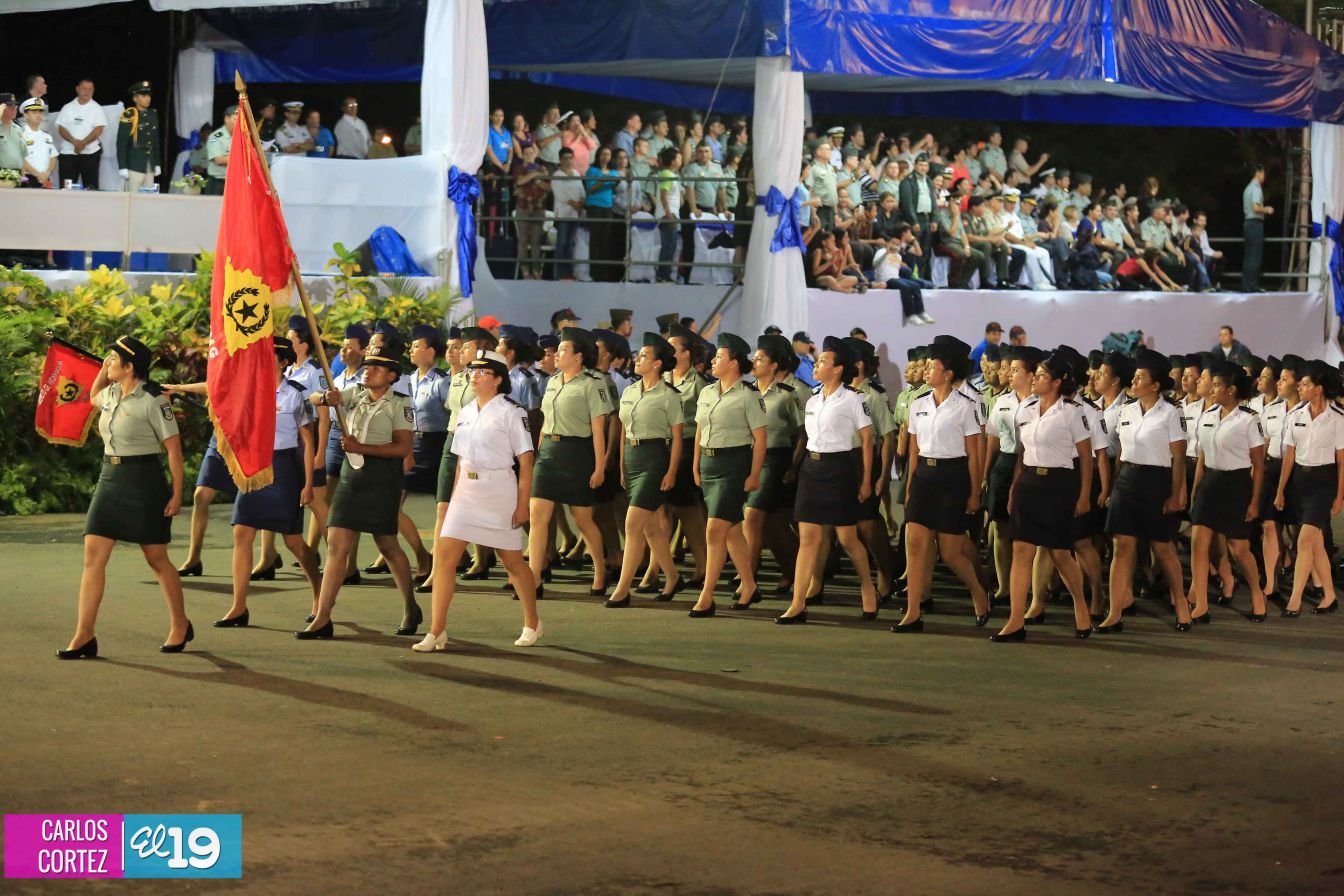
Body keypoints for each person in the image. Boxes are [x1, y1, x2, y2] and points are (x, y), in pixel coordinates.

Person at [169, 339, 323, 627]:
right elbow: (216, 388)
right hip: (255, 466)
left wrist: (308, 484)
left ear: (283, 362)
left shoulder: (295, 394)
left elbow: (307, 440)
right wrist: (177, 389)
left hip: (285, 468)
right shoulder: (251, 389)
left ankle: (320, 595)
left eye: (271, 357)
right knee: (242, 532)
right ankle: (238, 607)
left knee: (293, 543)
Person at [59, 336, 190, 659]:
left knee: (156, 558)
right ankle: (84, 635)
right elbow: (92, 397)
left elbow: (173, 451)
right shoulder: (112, 394)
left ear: (130, 367)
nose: (108, 362)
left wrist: (176, 493)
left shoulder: (153, 400)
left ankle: (180, 624)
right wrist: (104, 371)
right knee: (93, 555)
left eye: (114, 360)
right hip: (110, 478)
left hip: (144, 480)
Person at [413, 349, 543, 651]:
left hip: (499, 490)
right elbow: (460, 460)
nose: (474, 375)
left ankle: (532, 622)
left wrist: (522, 504)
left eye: (482, 372)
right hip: (466, 493)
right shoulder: (467, 410)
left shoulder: (512, 412)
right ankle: (436, 631)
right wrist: (455, 497)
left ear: (497, 380)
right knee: (445, 558)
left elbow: (525, 462)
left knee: (512, 562)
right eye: (473, 371)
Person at [298, 341, 420, 639]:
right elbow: (312, 398)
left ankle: (410, 605)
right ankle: (323, 616)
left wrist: (360, 446)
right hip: (352, 475)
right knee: (337, 544)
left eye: (377, 367)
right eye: (367, 366)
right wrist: (327, 396)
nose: (369, 371)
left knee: (387, 545)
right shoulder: (354, 394)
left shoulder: (400, 403)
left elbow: (402, 447)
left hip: (382, 476)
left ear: (391, 376)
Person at [994, 349, 1096, 641]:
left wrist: (1084, 495)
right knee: (1021, 551)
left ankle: (1081, 607)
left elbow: (1086, 458)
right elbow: (1022, 452)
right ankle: (1015, 620)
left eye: (1041, 376)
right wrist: (1015, 487)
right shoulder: (1026, 409)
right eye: (1035, 374)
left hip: (1059, 485)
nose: (1035, 379)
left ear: (1056, 382)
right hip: (1029, 484)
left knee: (1060, 553)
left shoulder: (1072, 412)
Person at [776, 336, 879, 624]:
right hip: (812, 469)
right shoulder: (812, 399)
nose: (817, 364)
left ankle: (867, 586)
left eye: (823, 360)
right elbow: (807, 436)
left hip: (840, 469)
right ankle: (798, 603)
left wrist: (866, 480)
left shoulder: (854, 399)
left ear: (838, 369)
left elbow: (868, 440)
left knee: (847, 538)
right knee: (808, 538)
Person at [893, 337, 991, 633]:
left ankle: (978, 592)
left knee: (950, 553)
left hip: (953, 478)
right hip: (924, 476)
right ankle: (913, 611)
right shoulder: (919, 403)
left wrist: (975, 492)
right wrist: (910, 484)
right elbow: (913, 449)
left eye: (933, 366)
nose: (926, 370)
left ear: (947, 373)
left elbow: (974, 451)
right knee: (915, 543)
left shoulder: (967, 405)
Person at [1098, 348, 1191, 632]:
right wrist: (1113, 486)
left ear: (1156, 385)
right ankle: (1115, 612)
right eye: (1134, 377)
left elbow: (1178, 459)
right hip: (1127, 480)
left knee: (1162, 547)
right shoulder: (1127, 410)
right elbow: (1120, 455)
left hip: (1156, 482)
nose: (1134, 382)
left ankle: (1182, 605)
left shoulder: (1172, 413)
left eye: (1140, 378)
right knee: (1121, 547)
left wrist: (1177, 495)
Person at [686, 333, 767, 618]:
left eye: (719, 356)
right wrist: (695, 465)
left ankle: (706, 596)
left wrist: (755, 473)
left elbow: (760, 437)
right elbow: (699, 431)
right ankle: (749, 585)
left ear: (734, 363)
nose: (713, 361)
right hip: (709, 466)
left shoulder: (749, 395)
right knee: (732, 530)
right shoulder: (707, 392)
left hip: (734, 465)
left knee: (714, 529)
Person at [526, 327, 611, 596]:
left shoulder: (592, 383)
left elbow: (599, 429)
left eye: (563, 349)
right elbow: (544, 421)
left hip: (578, 453)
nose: (556, 354)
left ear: (578, 357)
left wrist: (600, 467)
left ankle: (600, 569)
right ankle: (534, 577)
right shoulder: (552, 381)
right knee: (537, 514)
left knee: (582, 519)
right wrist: (540, 450)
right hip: (549, 452)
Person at [605, 333, 686, 607]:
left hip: (654, 459)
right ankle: (673, 577)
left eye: (643, 356)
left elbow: (677, 437)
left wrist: (672, 471)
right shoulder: (629, 391)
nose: (637, 359)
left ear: (657, 364)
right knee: (651, 528)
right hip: (631, 458)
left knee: (632, 523)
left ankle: (622, 588)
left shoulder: (669, 395)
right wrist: (620, 466)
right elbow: (624, 430)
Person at [1188, 362, 1268, 623]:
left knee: (1239, 549)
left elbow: (1258, 464)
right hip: (1210, 483)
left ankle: (1257, 592)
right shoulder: (1208, 415)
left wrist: (1255, 501)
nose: (1212, 389)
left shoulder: (1248, 419)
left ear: (1232, 390)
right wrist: (1195, 491)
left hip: (1236, 485)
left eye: (1218, 385)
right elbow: (1201, 457)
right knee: (1198, 544)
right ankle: (1201, 603)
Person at [1274, 360, 1344, 616]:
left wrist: (1339, 496)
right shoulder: (1296, 416)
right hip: (1299, 483)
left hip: (1324, 483)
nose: (1300, 388)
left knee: (1304, 541)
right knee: (1314, 545)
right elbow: (1289, 456)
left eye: (1305, 384)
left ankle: (1294, 600)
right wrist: (1281, 490)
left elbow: (1342, 461)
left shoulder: (1337, 419)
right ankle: (1330, 595)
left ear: (1318, 389)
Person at [739, 334, 804, 601]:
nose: (754, 362)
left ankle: (748, 580)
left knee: (752, 516)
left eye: (760, 359)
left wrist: (794, 466)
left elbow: (803, 433)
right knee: (772, 523)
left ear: (775, 364)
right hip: (751, 457)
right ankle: (792, 570)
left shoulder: (789, 393)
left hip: (777, 459)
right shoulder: (748, 390)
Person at [55, 78, 105, 189]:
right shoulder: (67, 107)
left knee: (91, 190)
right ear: (77, 89)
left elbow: (99, 129)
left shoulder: (97, 108)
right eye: (84, 88)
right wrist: (75, 142)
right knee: (66, 190)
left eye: (90, 89)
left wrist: (82, 144)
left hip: (90, 155)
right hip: (68, 154)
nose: (87, 92)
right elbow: (61, 128)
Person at [116, 81, 160, 191]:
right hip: (134, 163)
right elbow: (121, 143)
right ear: (135, 99)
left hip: (149, 164)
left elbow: (155, 141)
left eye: (149, 96)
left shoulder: (153, 114)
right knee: (132, 199)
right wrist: (123, 167)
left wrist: (157, 163)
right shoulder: (130, 115)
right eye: (144, 96)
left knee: (148, 199)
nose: (147, 98)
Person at [551, 146, 586, 280]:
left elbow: (581, 189)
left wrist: (581, 202)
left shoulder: (576, 173)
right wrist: (575, 204)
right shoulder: (557, 175)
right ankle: (558, 273)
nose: (568, 161)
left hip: (574, 214)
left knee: (571, 243)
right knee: (562, 243)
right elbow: (560, 194)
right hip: (563, 213)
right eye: (565, 158)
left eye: (570, 158)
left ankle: (569, 272)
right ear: (560, 160)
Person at [1242, 164, 1272, 291]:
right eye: (1263, 174)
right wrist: (1267, 209)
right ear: (1258, 173)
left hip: (1248, 223)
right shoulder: (1256, 189)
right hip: (1254, 223)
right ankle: (1252, 286)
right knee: (1254, 256)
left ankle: (1247, 285)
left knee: (1249, 255)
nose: (1264, 177)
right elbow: (1255, 207)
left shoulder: (1248, 188)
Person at [19, 98, 56, 188]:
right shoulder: (20, 135)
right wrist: (39, 175)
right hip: (28, 179)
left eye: (40, 112)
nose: (38, 115)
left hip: (45, 179)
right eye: (34, 112)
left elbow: (53, 158)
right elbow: (20, 160)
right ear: (26, 115)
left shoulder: (47, 137)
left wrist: (47, 173)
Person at [204, 106, 236, 196]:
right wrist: (242, 158)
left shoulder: (244, 137)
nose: (239, 123)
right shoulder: (215, 137)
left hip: (237, 183)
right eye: (236, 120)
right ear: (227, 119)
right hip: (219, 184)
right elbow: (219, 160)